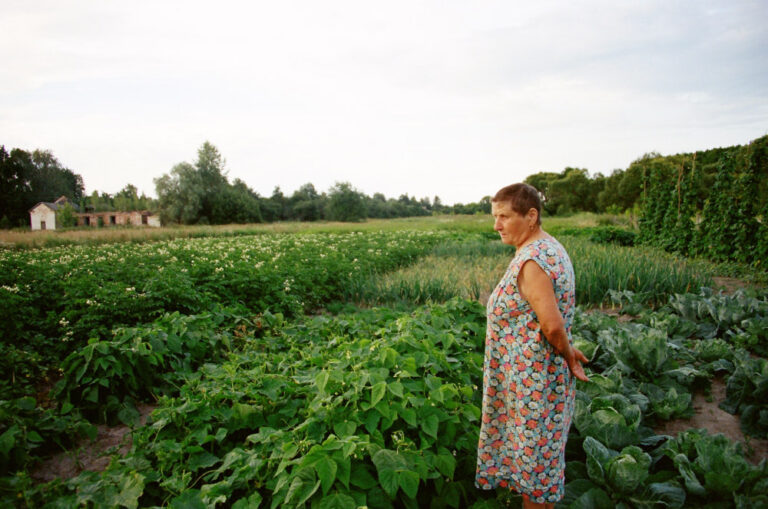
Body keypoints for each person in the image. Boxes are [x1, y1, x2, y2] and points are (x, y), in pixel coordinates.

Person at [475, 183, 589, 509]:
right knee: (540, 466)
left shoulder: (533, 260)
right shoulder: (550, 248)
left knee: (536, 477)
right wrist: (567, 349)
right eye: (494, 216)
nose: (496, 225)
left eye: (504, 216)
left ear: (531, 216)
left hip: (534, 388)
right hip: (538, 380)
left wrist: (568, 354)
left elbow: (552, 326)